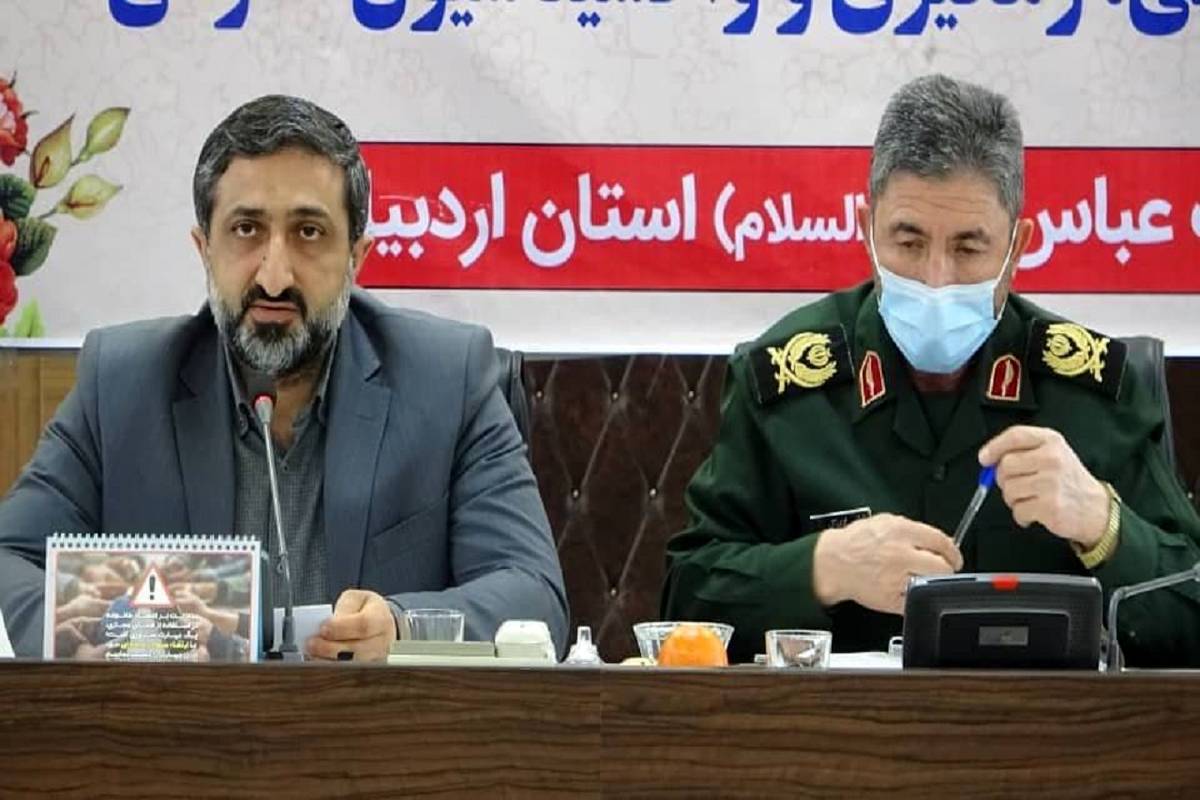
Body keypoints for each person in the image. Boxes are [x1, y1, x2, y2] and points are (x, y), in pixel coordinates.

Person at [0, 95, 568, 660]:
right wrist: (116, 628)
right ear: (204, 249)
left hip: (376, 718)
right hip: (176, 718)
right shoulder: (123, 385)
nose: (274, 277)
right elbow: (8, 563)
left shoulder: (447, 380)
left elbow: (534, 597)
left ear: (357, 257)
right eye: (246, 229)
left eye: (309, 232)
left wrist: (401, 628)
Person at [661, 75, 1200, 667]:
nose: (936, 279)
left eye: (968, 249)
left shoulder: (1091, 390)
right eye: (909, 243)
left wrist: (1102, 524)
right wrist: (825, 567)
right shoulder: (784, 381)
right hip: (835, 725)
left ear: (1017, 249)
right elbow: (684, 604)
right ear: (867, 229)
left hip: (1050, 724)